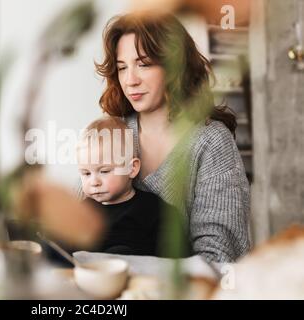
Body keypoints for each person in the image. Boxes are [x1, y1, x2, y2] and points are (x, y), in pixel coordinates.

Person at [92, 12, 251, 263]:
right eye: (122, 68)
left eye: (143, 64)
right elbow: (80, 224)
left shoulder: (210, 142)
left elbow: (218, 256)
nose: (130, 80)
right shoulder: (113, 132)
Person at [76, 116, 191, 257]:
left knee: (120, 253)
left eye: (104, 171)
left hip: (137, 273)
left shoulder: (153, 209)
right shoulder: (84, 210)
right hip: (90, 273)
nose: (94, 182)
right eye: (86, 173)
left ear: (132, 168)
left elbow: (179, 256)